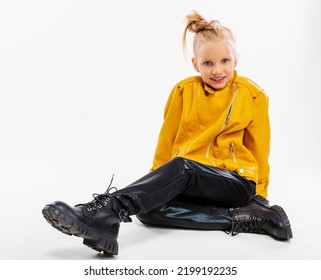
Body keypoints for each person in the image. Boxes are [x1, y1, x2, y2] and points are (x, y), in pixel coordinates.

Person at [42, 10, 293, 256]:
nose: (218, 70)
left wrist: (260, 196)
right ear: (195, 64)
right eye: (208, 63)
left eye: (225, 61)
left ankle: (107, 210)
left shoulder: (252, 94)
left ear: (236, 59)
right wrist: (155, 184)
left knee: (183, 166)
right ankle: (245, 219)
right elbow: (167, 139)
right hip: (192, 180)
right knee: (147, 210)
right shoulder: (183, 91)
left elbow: (260, 147)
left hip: (235, 182)